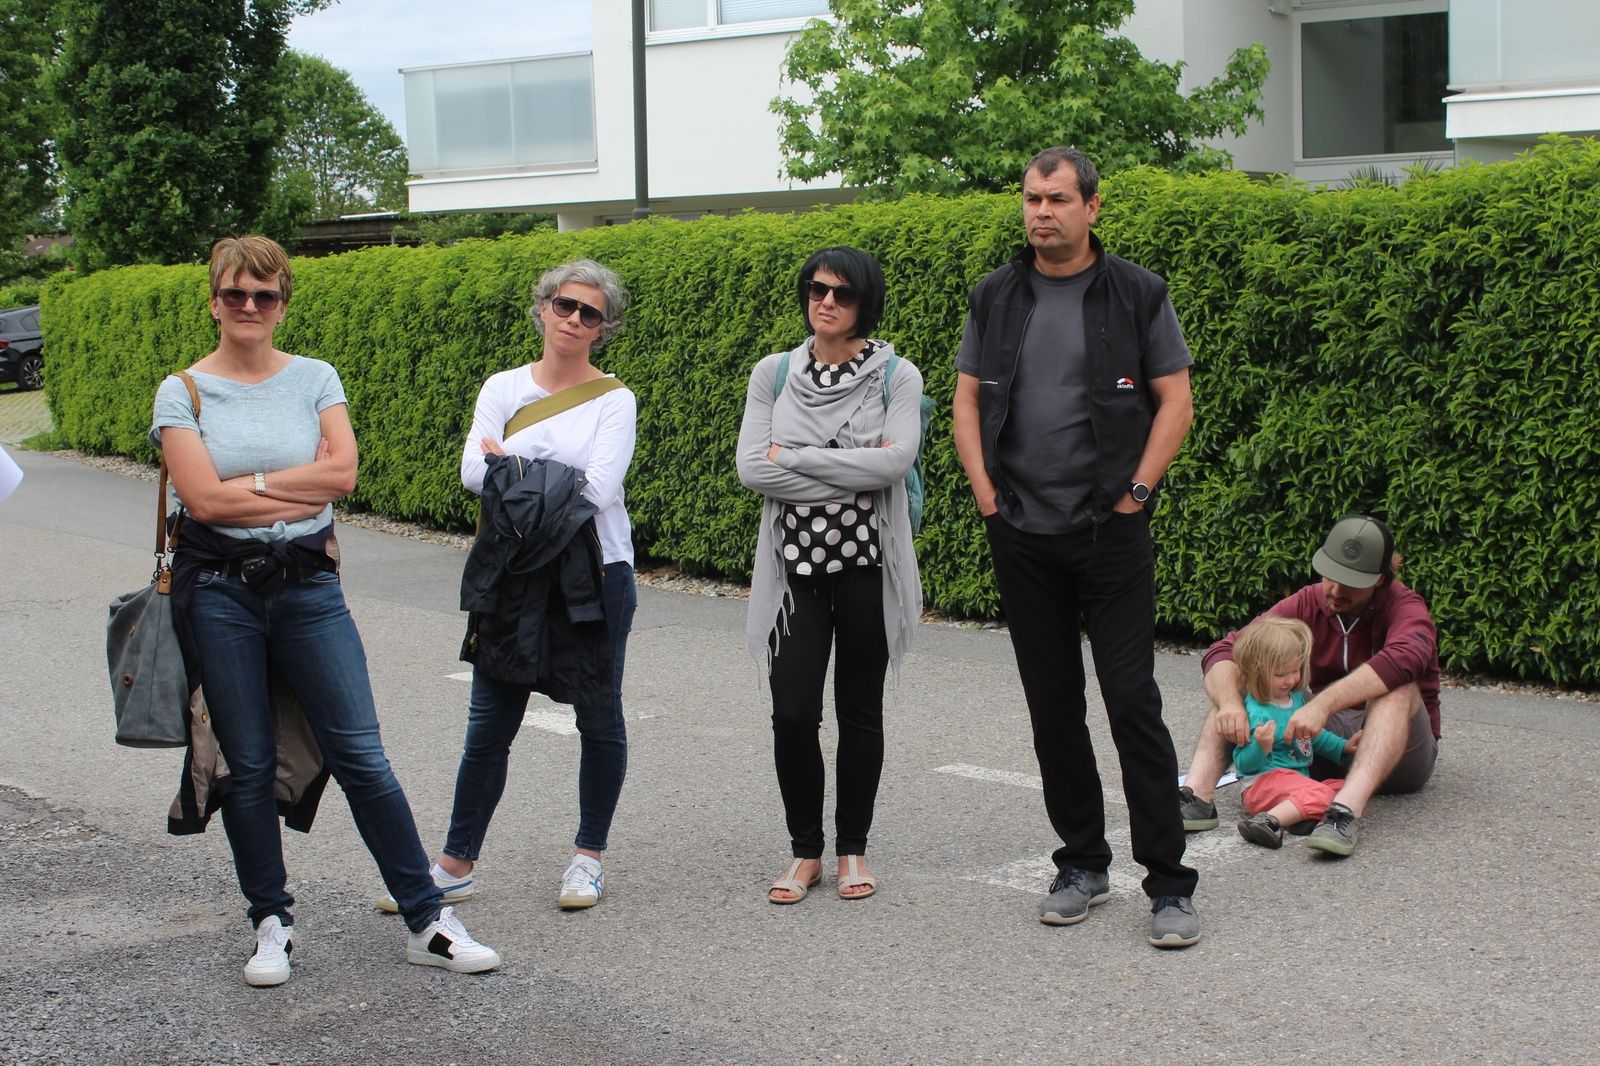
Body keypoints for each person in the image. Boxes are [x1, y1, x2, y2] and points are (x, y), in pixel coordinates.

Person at [152, 235, 500, 986]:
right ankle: (270, 922)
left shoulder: (315, 377)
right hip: (219, 594)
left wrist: (245, 485)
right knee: (248, 764)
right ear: (214, 302)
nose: (250, 305)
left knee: (361, 755)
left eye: (265, 294)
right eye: (236, 293)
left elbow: (341, 475)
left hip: (308, 586)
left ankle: (426, 920)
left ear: (282, 305)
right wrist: (286, 486)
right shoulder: (182, 391)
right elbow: (201, 501)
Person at [951, 146, 1199, 948]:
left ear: (1092, 206)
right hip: (1023, 533)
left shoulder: (1137, 292)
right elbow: (965, 399)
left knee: (1132, 703)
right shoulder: (995, 294)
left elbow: (1176, 401)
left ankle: (1169, 884)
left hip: (1111, 532)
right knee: (1053, 708)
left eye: (1058, 199)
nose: (1042, 212)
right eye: (1032, 198)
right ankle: (1083, 864)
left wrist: (1138, 493)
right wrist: (987, 495)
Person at [400, 259, 638, 913]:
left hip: (596, 575)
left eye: (590, 313)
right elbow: (472, 473)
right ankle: (454, 864)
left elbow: (597, 491)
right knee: (488, 723)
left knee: (599, 717)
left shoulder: (615, 399)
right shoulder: (502, 387)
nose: (574, 319)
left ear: (603, 328)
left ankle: (588, 859)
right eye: (565, 305)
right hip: (512, 575)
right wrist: (549, 473)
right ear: (543, 308)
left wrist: (516, 468)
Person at [737, 246, 924, 904]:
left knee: (860, 711)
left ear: (864, 304)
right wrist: (850, 468)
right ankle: (804, 851)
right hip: (794, 570)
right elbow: (752, 469)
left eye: (842, 294)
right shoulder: (775, 373)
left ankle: (852, 849)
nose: (826, 302)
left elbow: (894, 463)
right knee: (792, 712)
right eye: (817, 289)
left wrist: (795, 457)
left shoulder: (897, 376)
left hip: (870, 566)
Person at [1178, 514, 1441, 857]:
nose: (1335, 591)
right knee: (1249, 668)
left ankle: (1343, 813)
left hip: (1398, 754)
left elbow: (1406, 658)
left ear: (1380, 580)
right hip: (1309, 749)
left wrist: (1323, 703)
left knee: (1398, 686)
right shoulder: (1308, 600)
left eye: (1351, 583)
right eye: (1331, 576)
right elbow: (1226, 650)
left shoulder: (1405, 607)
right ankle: (1197, 797)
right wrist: (1230, 703)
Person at [1226, 616, 1362, 848]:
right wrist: (1261, 746)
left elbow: (1312, 736)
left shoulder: (1296, 698)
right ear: (1257, 670)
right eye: (1281, 674)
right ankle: (1268, 821)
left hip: (1294, 783)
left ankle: (1298, 819)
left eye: (1295, 670)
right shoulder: (1258, 712)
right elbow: (1243, 764)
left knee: (1350, 790)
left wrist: (1343, 746)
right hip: (1262, 785)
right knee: (1324, 796)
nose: (1291, 679)